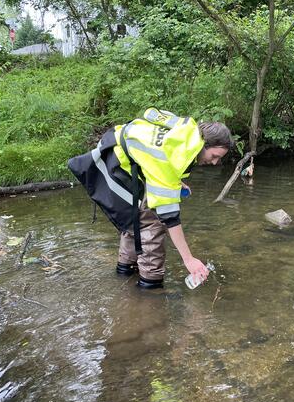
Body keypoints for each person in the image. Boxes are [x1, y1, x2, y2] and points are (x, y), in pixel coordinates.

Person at [68, 108, 232, 289]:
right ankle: (149, 291)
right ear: (204, 144)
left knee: (134, 219)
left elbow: (151, 115)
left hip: (119, 152)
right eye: (214, 156)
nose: (215, 162)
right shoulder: (170, 157)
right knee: (152, 223)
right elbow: (170, 217)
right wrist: (189, 259)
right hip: (115, 167)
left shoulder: (186, 129)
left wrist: (175, 181)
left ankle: (125, 272)